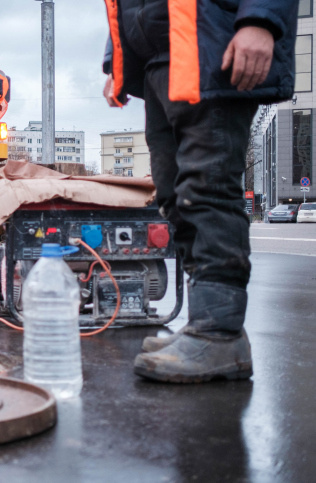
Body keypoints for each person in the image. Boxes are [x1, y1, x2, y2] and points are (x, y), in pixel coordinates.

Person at [102, 1, 298, 383]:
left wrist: (261, 21)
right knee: (175, 196)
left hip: (212, 45)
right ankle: (202, 325)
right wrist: (117, 58)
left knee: (208, 189)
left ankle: (219, 333)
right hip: (159, 60)